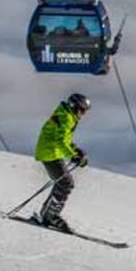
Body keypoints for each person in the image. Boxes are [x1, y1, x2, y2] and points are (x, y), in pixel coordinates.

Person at [33, 93, 91, 232]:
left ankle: (48, 214)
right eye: (82, 110)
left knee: (63, 182)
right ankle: (50, 216)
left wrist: (75, 150)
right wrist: (73, 155)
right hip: (49, 153)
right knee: (66, 183)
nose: (83, 114)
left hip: (51, 152)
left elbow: (63, 139)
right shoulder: (66, 117)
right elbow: (60, 141)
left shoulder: (67, 115)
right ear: (74, 107)